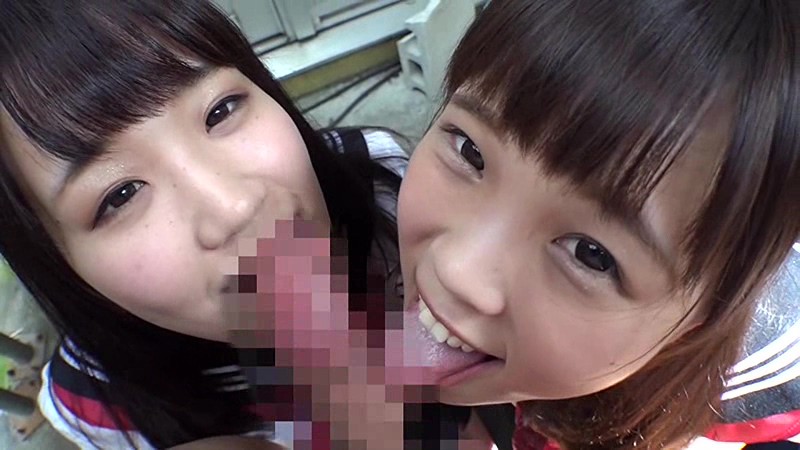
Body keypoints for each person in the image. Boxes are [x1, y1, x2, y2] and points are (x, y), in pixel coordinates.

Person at [0, 1, 413, 448]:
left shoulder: (390, 193)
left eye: (221, 110)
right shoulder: (99, 408)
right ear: (56, 259)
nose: (236, 208)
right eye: (120, 195)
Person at [396, 0, 800, 448]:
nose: (457, 270)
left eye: (591, 255)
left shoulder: (738, 402)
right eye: (470, 151)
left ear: (704, 317)